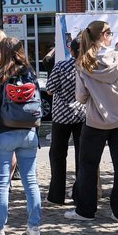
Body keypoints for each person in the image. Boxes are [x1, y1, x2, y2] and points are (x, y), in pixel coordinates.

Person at [67, 21, 118, 221]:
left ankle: (85, 210)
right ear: (104, 35)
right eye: (110, 33)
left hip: (96, 119)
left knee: (87, 165)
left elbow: (80, 97)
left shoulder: (82, 63)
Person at [0, 37, 44, 235]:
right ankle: (34, 227)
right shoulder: (30, 74)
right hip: (29, 133)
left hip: (4, 133)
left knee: (1, 183)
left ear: (1, 52)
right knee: (31, 181)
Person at [44, 40, 85, 205]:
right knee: (81, 155)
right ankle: (80, 193)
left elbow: (49, 89)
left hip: (62, 114)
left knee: (57, 155)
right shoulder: (89, 67)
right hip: (82, 113)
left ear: (71, 50)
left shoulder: (61, 66)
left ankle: (57, 194)